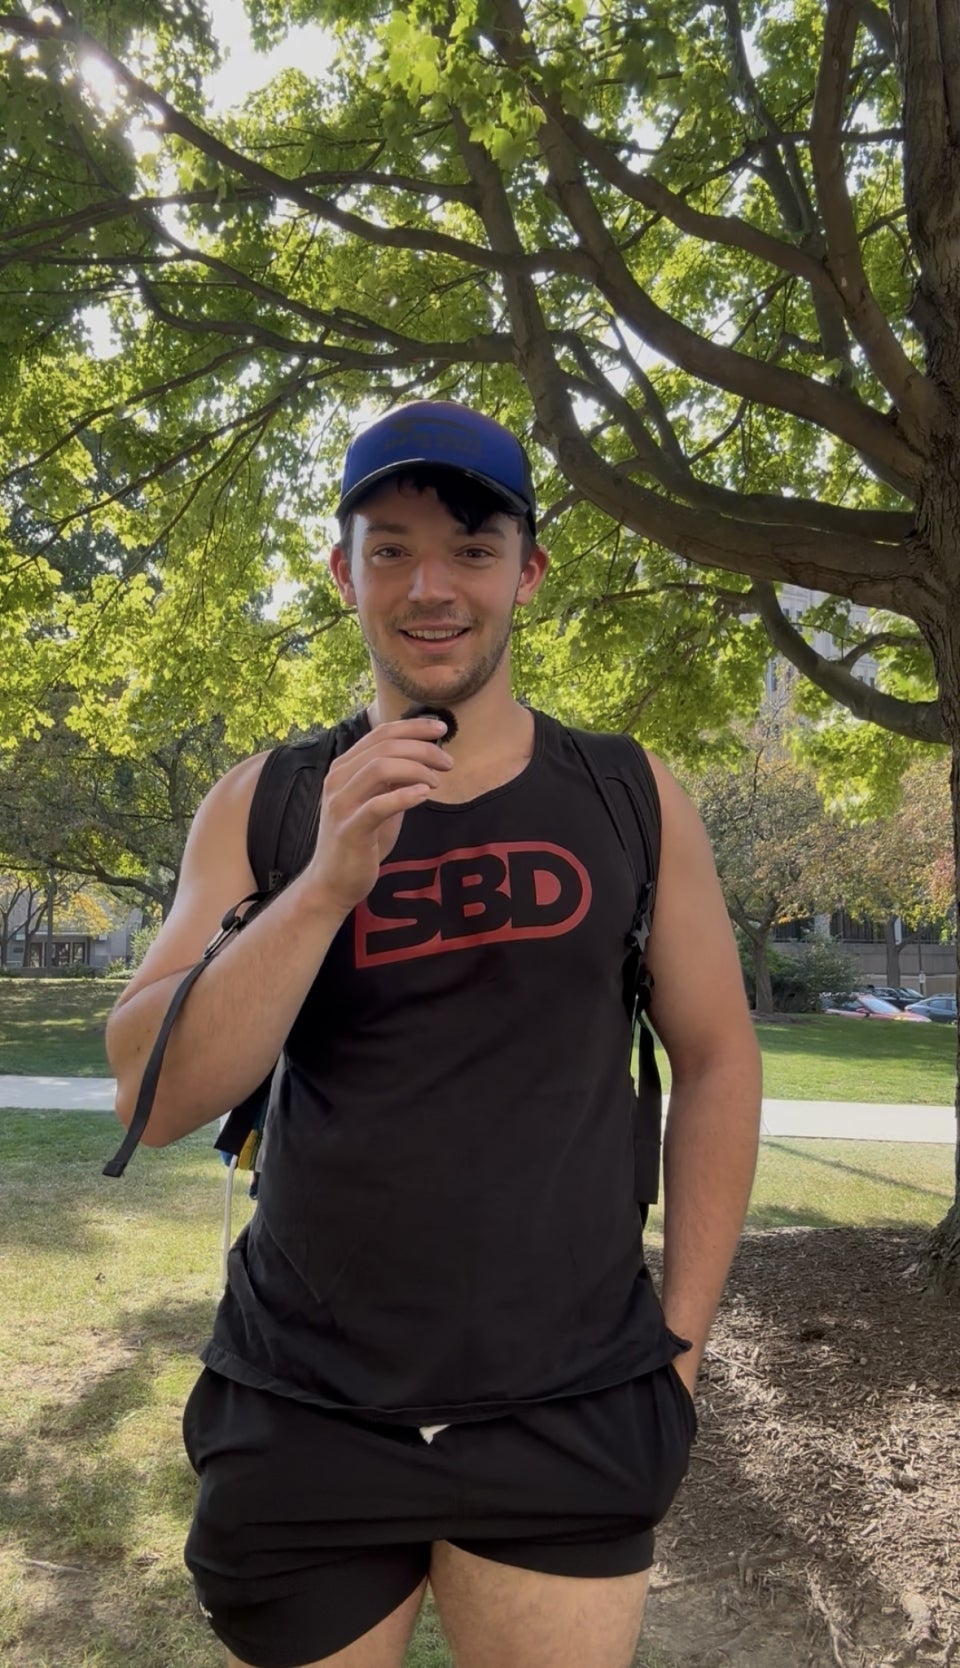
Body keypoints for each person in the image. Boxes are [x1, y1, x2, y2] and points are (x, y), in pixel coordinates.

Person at [106, 401, 762, 1668]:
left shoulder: (631, 794)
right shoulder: (271, 801)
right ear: (344, 569)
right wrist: (319, 887)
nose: (432, 587)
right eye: (392, 547)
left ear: (529, 569)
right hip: (305, 1405)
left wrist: (679, 1344)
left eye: (471, 547)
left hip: (569, 1399)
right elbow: (152, 1089)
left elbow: (720, 1056)